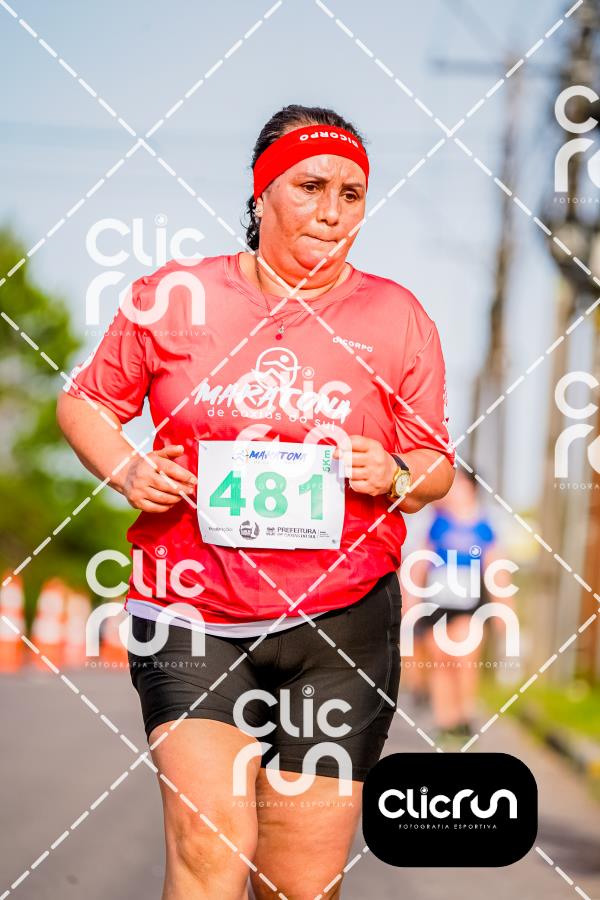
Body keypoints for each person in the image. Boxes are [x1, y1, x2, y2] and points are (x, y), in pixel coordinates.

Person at [57, 104, 456, 899]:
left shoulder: (397, 317)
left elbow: (436, 467)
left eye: (351, 194)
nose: (332, 211)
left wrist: (393, 472)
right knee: (210, 847)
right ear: (261, 193)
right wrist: (127, 469)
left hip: (341, 619)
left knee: (297, 883)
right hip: (190, 609)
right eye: (310, 187)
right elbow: (85, 403)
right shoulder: (174, 298)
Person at [407, 469, 507, 747]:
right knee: (440, 661)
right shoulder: (435, 523)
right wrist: (411, 602)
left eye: (456, 485)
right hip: (436, 602)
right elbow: (420, 564)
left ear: (471, 488)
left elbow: (496, 570)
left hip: (469, 605)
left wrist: (503, 608)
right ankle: (446, 722)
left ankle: (464, 716)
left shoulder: (484, 527)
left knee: (464, 660)